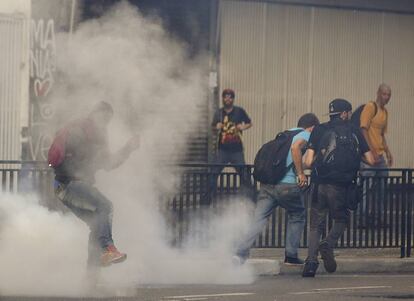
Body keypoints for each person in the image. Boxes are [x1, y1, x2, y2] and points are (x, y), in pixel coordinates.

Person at [51, 101, 140, 275]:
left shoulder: (95, 135)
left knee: (96, 223)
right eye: (104, 118)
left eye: (108, 120)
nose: (105, 123)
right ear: (95, 113)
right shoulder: (81, 130)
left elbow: (108, 163)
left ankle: (91, 279)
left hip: (64, 186)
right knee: (105, 206)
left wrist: (128, 149)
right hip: (70, 184)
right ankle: (108, 249)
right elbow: (74, 157)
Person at [233, 113, 320, 265]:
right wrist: (300, 174)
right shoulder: (306, 135)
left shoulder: (284, 134)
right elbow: (296, 149)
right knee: (297, 215)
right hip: (287, 186)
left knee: (258, 219)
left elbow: (293, 157)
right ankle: (291, 256)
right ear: (312, 127)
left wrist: (300, 166)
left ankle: (240, 253)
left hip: (268, 185)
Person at [302, 99, 374, 277]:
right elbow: (371, 160)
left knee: (315, 224)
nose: (349, 115)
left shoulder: (319, 129)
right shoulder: (354, 131)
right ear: (344, 114)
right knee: (341, 220)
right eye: (348, 113)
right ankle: (328, 243)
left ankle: (311, 263)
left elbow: (308, 161)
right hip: (342, 186)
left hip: (319, 184)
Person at [208, 89, 252, 202]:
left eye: (230, 97)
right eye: (225, 97)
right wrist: (216, 127)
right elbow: (212, 127)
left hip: (237, 150)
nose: (228, 99)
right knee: (213, 173)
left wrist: (243, 127)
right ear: (222, 99)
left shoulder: (239, 111)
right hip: (222, 150)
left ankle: (250, 199)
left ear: (233, 99)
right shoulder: (219, 113)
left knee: (244, 175)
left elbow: (249, 123)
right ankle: (209, 199)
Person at [359, 84, 392, 225]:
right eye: (384, 94)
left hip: (380, 154)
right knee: (366, 188)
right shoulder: (370, 107)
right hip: (369, 156)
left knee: (382, 188)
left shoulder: (385, 112)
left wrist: (388, 152)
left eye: (389, 95)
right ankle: (363, 219)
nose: (387, 97)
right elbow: (363, 129)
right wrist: (371, 151)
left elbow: (382, 135)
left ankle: (379, 217)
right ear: (378, 93)